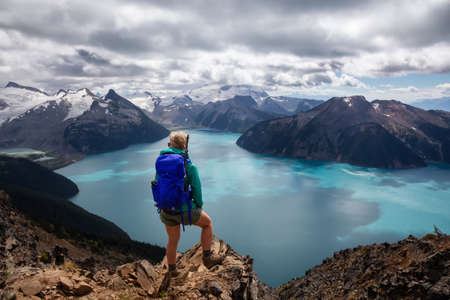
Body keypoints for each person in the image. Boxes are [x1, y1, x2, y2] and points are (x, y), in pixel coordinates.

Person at [154, 131, 222, 276]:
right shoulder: (189, 166)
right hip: (186, 211)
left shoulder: (161, 163)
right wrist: (199, 204)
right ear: (185, 146)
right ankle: (207, 256)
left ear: (169, 145)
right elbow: (197, 188)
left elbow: (158, 184)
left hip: (166, 210)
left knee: (172, 240)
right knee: (207, 223)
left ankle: (172, 270)